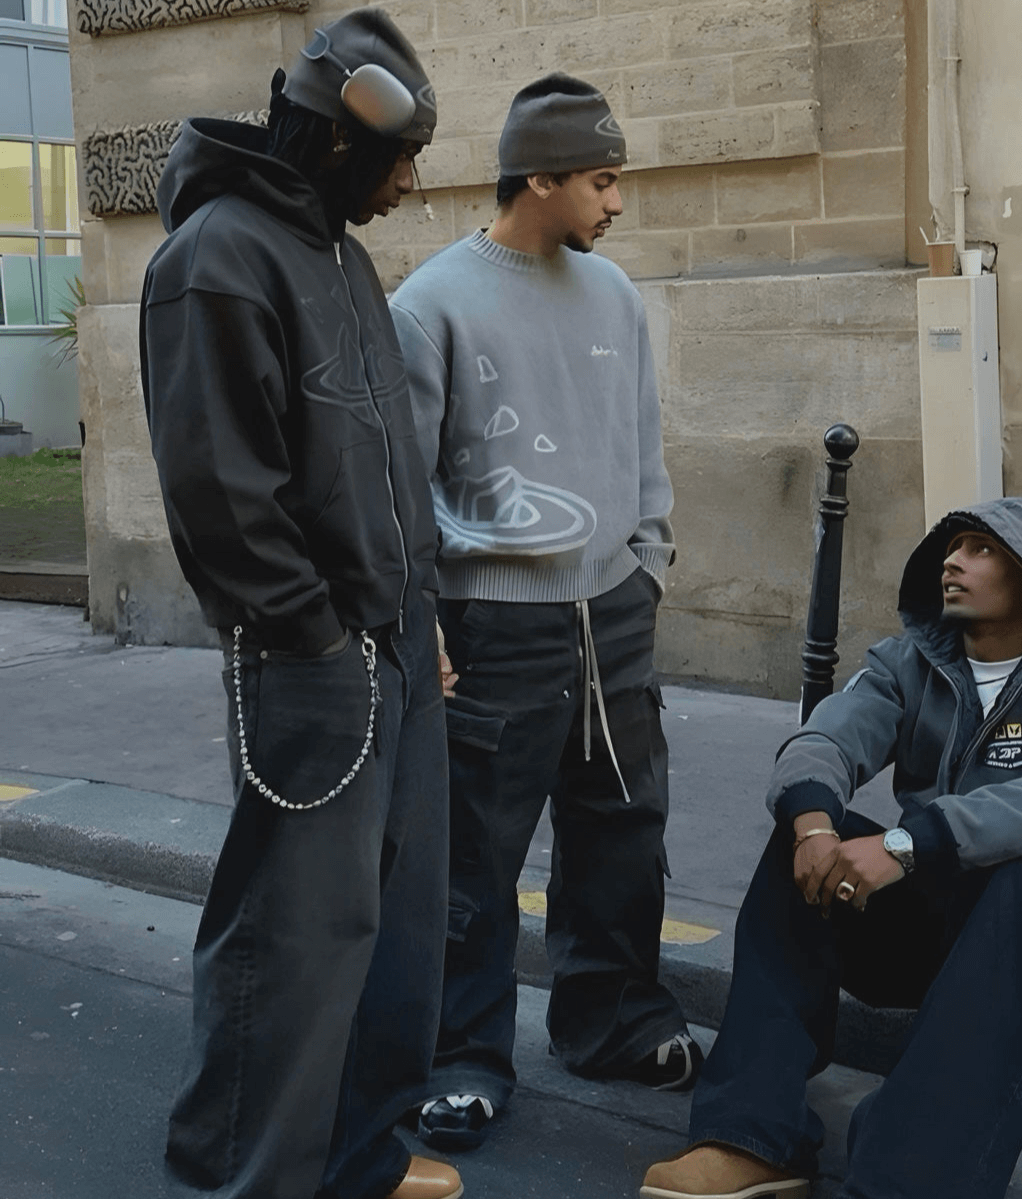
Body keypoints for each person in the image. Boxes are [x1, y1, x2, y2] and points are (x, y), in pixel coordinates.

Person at [140, 10, 463, 1198]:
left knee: (397, 932)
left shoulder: (341, 248)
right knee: (291, 940)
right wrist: (318, 635)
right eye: (400, 157)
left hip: (392, 644)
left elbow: (385, 467)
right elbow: (221, 490)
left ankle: (358, 1156)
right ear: (338, 143)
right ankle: (248, 1173)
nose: (412, 183)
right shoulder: (215, 255)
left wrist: (415, 623)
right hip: (309, 655)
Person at [642, 497, 1022, 1199]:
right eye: (950, 548)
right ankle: (752, 1137)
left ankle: (909, 1182)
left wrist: (910, 841)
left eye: (979, 549)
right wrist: (813, 824)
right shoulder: (908, 660)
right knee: (807, 851)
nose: (952, 560)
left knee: (1021, 883)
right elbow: (826, 737)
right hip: (948, 924)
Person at [389, 72, 699, 1153]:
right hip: (492, 625)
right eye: (603, 181)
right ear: (540, 177)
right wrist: (418, 616)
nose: (616, 203)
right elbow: (400, 483)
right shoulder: (428, 303)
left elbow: (642, 450)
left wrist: (645, 566)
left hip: (611, 613)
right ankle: (461, 1058)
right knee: (471, 858)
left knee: (622, 834)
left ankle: (611, 1023)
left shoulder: (614, 296)